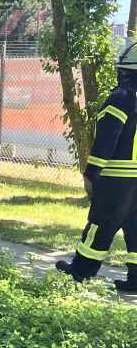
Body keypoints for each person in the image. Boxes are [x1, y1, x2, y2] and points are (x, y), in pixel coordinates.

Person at [56, 42, 137, 290]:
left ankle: (80, 271)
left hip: (117, 178)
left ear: (124, 71)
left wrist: (92, 171)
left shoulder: (121, 97)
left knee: (100, 224)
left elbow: (108, 137)